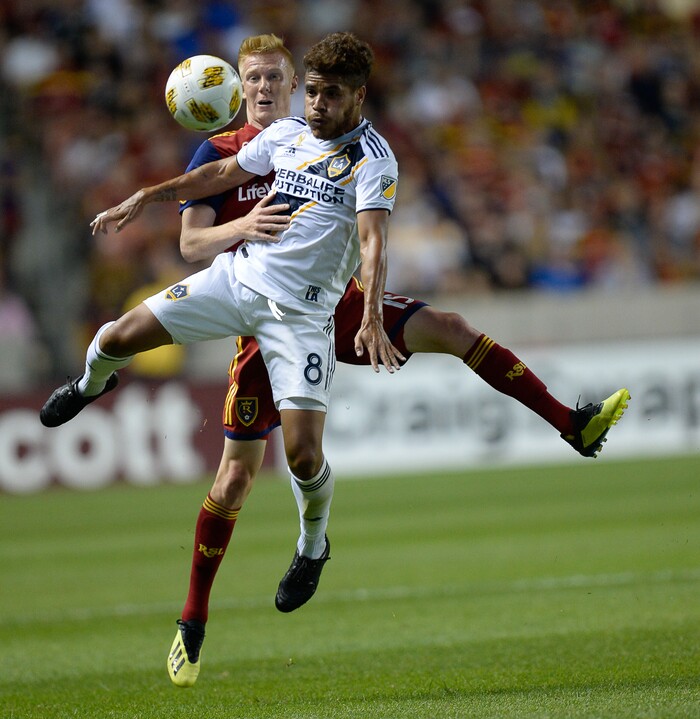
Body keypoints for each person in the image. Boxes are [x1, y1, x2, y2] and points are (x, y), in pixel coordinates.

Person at [40, 34, 630, 689]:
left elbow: (375, 242)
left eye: (291, 83)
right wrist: (152, 197)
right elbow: (203, 212)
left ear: (317, 88)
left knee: (311, 450)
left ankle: (319, 541)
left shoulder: (371, 159)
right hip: (240, 287)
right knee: (126, 344)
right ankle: (95, 389)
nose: (297, 98)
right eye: (265, 80)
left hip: (313, 314)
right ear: (242, 85)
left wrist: (374, 312)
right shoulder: (254, 140)